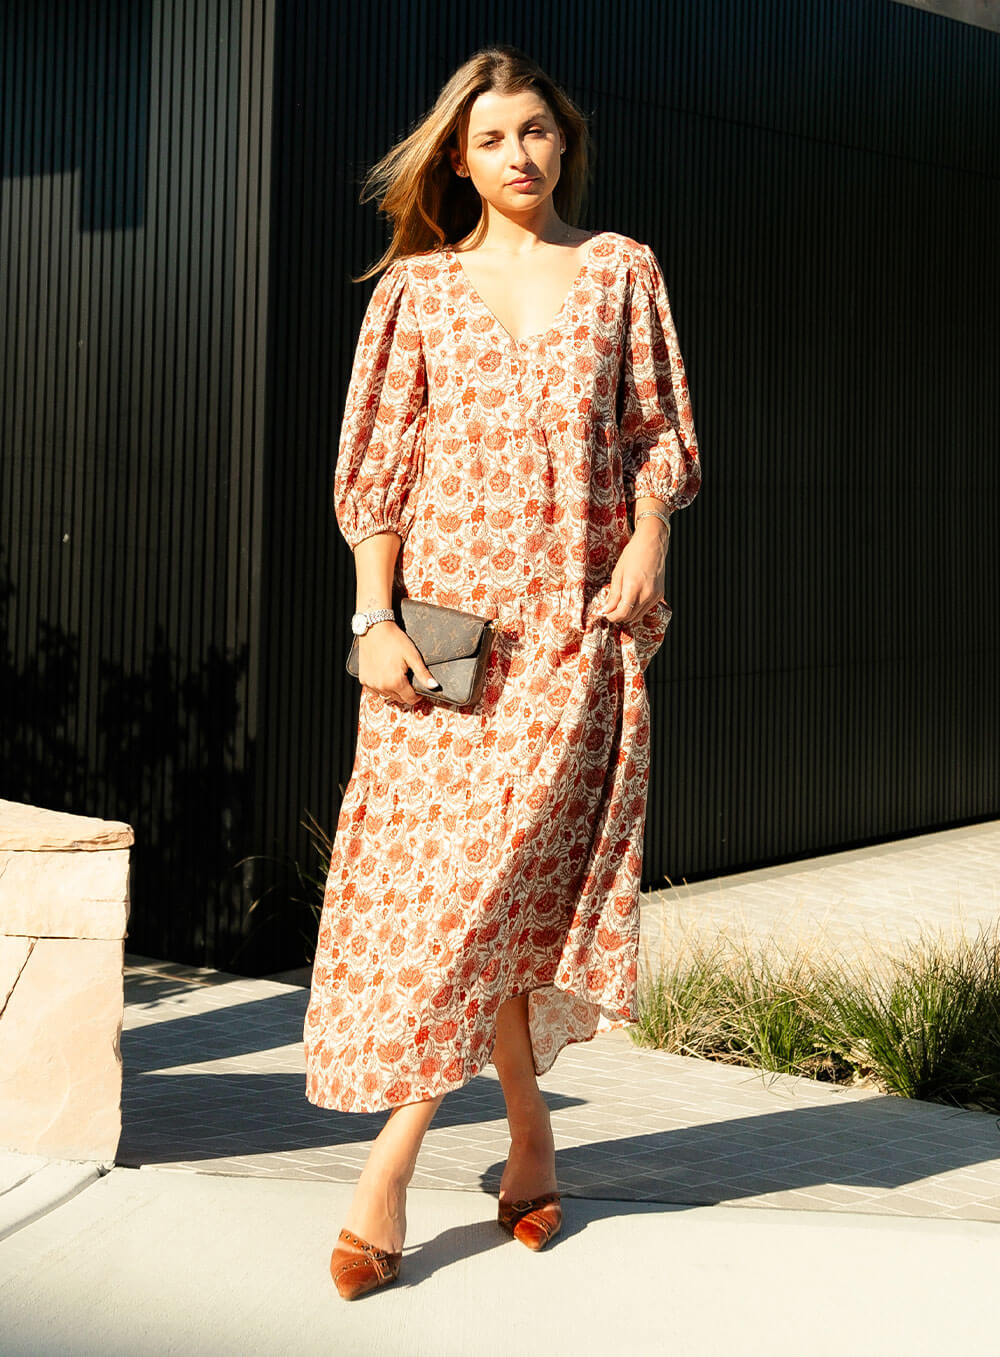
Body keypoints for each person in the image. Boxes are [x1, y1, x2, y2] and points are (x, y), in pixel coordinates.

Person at [302, 43, 701, 1300]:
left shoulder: (620, 269)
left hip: (576, 632)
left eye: (537, 131)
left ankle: (390, 1166)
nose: (519, 154)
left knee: (500, 887)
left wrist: (646, 545)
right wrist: (371, 620)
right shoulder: (415, 292)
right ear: (457, 159)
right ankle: (529, 1140)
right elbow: (379, 466)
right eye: (492, 138)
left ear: (563, 141)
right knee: (467, 901)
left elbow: (657, 434)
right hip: (445, 642)